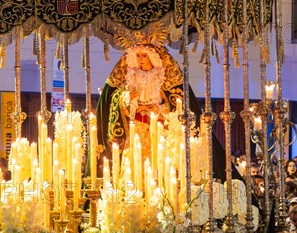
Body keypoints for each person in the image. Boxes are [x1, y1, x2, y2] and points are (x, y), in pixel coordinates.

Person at [96, 43, 242, 183]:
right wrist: (128, 100)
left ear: (153, 57)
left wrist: (157, 111)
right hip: (136, 131)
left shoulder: (160, 79)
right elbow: (116, 101)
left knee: (159, 165)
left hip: (158, 131)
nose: (141, 59)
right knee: (135, 165)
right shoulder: (131, 78)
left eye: (144, 56)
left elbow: (173, 105)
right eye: (138, 56)